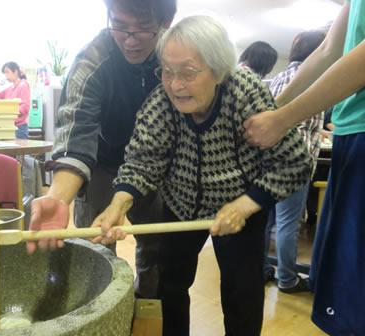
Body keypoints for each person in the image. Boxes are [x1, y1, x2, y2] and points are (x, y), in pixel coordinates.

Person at [91, 15, 311, 336]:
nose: (175, 84)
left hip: (240, 209)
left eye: (188, 72)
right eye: (167, 71)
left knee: (241, 292)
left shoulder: (246, 94)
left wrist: (247, 205)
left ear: (219, 70)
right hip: (181, 206)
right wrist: (118, 204)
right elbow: (142, 159)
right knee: (172, 284)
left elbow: (294, 163)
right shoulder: (162, 101)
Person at [27, 0, 177, 300]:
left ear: (165, 22)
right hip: (101, 165)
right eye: (119, 26)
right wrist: (57, 198)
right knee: (94, 249)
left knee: (158, 252)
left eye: (142, 30)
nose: (129, 40)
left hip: (157, 168)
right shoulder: (93, 59)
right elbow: (77, 130)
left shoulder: (176, 54)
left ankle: (147, 311)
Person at [243, 1, 365, 334]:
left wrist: (281, 118)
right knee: (341, 273)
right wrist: (275, 112)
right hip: (350, 134)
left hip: (355, 136)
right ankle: (284, 276)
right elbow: (328, 50)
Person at [263, 30, 326, 292]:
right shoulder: (316, 80)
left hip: (266, 160)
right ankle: (287, 279)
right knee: (288, 223)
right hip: (294, 162)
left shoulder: (276, 78)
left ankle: (262, 268)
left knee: (265, 222)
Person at [0, 61, 31, 139]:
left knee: (18, 150)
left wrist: (8, 111)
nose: (6, 75)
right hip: (9, 126)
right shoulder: (10, 88)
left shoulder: (23, 85)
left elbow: (25, 108)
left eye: (7, 72)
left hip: (19, 127)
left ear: (15, 72)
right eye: (4, 73)